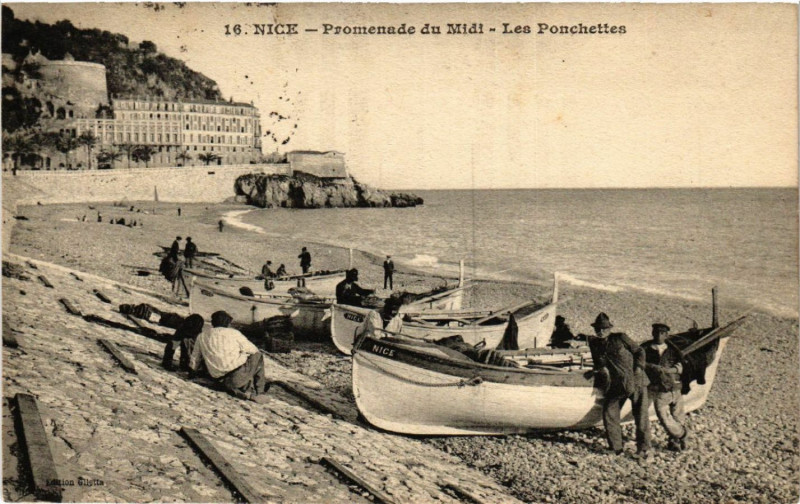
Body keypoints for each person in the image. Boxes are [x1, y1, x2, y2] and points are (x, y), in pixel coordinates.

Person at [588, 312, 651, 459]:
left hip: (637, 381)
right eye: (598, 328)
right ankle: (616, 447)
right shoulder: (595, 344)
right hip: (616, 385)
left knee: (641, 416)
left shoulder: (620, 338)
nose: (600, 331)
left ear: (609, 328)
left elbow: (639, 351)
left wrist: (639, 367)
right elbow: (598, 363)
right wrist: (599, 370)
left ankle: (644, 449)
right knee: (609, 413)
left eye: (604, 328)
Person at [189, 311, 270, 401]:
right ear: (228, 323)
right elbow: (253, 350)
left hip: (216, 378)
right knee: (257, 356)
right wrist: (243, 354)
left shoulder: (202, 336)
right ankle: (260, 392)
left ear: (212, 322)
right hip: (234, 378)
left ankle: (243, 388)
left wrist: (192, 373)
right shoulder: (233, 333)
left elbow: (195, 357)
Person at [642, 323, 688, 452]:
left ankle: (674, 441)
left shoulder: (673, 350)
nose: (659, 335)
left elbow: (682, 365)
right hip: (659, 389)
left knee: (678, 416)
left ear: (666, 335)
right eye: (656, 332)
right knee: (664, 417)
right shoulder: (645, 348)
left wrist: (672, 370)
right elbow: (639, 363)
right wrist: (651, 367)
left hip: (675, 387)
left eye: (662, 333)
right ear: (652, 333)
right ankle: (682, 434)